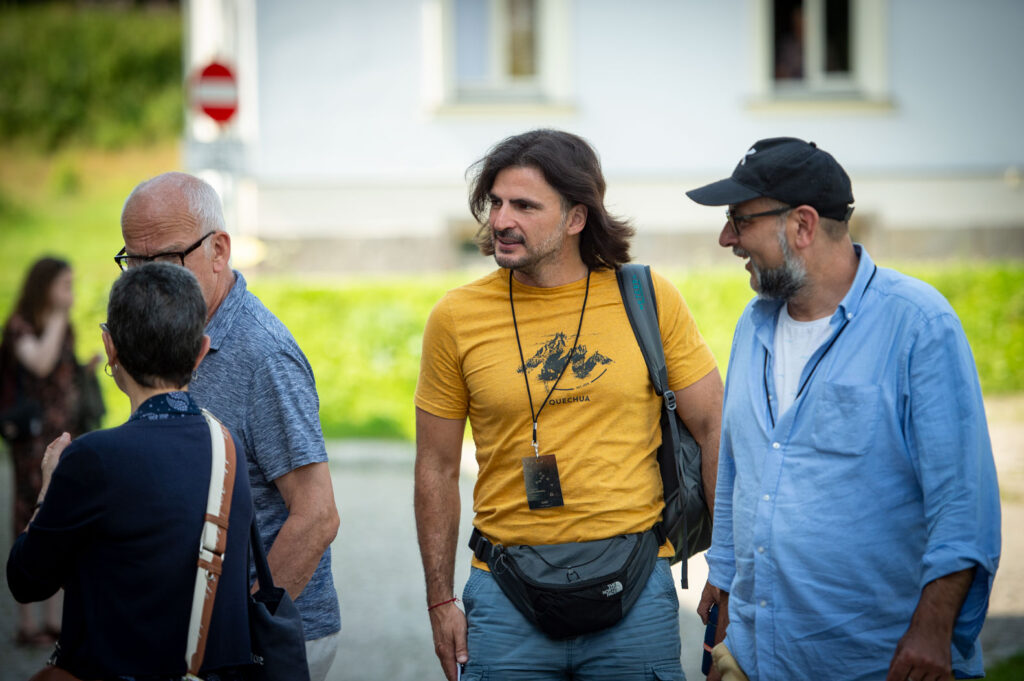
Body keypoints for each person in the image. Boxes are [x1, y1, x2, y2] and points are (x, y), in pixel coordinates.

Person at [686, 137, 1001, 681]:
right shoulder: (753, 325)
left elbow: (963, 503)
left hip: (880, 661)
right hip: (763, 657)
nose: (726, 238)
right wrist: (725, 577)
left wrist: (933, 631)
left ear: (803, 225)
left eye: (741, 220)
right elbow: (740, 469)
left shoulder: (917, 325)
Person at [415, 129, 724, 680]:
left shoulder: (648, 298)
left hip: (634, 588)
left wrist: (725, 570)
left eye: (525, 206)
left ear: (577, 218)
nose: (502, 221)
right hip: (505, 594)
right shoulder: (456, 317)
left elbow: (713, 427)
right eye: (496, 203)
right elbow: (436, 466)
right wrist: (440, 601)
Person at [117, 172, 341, 680]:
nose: (148, 281)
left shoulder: (263, 356)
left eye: (168, 261)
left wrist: (236, 627)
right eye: (134, 261)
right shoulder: (167, 329)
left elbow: (318, 516)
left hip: (265, 639)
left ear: (219, 250)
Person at [7, 263, 253, 680]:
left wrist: (48, 487)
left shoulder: (94, 458)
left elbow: (26, 580)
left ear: (110, 347)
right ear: (200, 351)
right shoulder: (227, 448)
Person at [0, 257, 93, 646]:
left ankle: (53, 620)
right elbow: (39, 364)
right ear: (44, 286)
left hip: (61, 431)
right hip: (30, 439)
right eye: (64, 285)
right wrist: (56, 318)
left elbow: (61, 370)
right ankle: (26, 623)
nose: (69, 294)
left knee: (60, 513)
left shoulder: (64, 325)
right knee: (28, 515)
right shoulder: (21, 324)